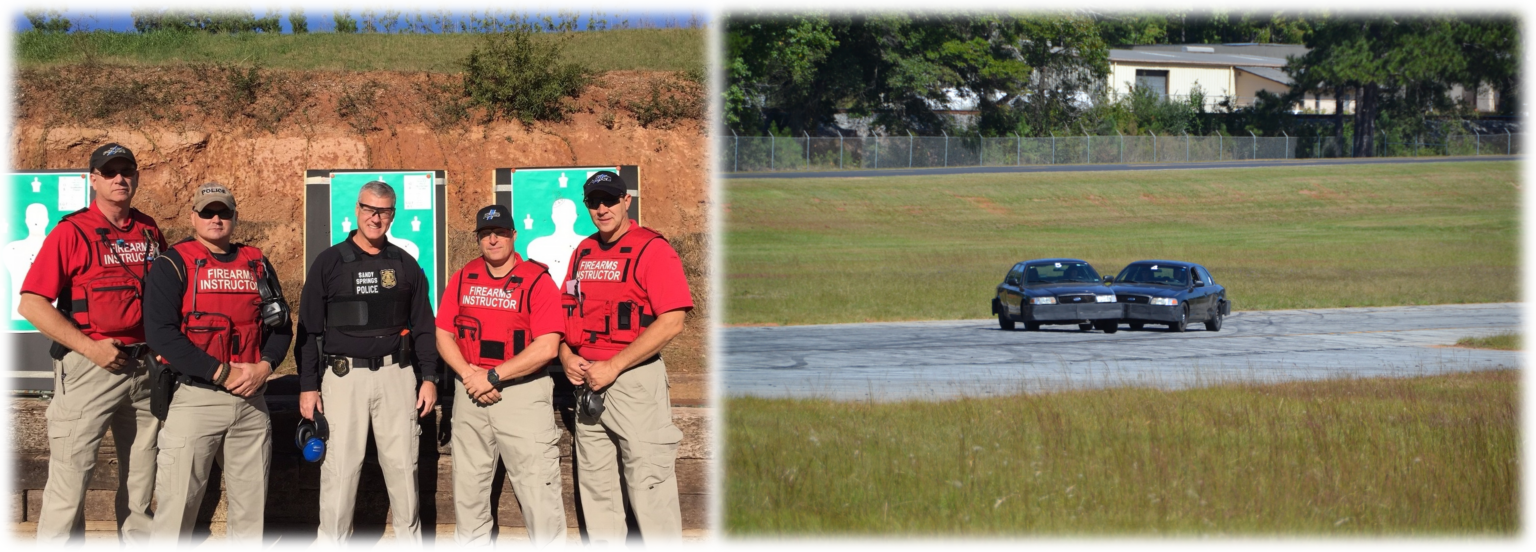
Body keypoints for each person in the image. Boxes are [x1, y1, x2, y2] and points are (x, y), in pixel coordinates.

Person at [19, 143, 167, 552]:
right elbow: (31, 303)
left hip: (143, 369)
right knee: (71, 478)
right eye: (111, 171)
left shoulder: (149, 229)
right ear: (94, 180)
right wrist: (89, 348)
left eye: (128, 171)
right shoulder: (72, 232)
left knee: (141, 480)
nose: (121, 178)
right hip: (90, 369)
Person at [142, 182, 292, 551]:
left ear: (235, 218)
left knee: (250, 504)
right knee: (178, 502)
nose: (216, 219)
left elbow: (282, 325)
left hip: (251, 399)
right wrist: (220, 373)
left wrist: (266, 366)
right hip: (196, 397)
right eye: (207, 212)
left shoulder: (255, 262)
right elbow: (160, 334)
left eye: (223, 212)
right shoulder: (173, 263)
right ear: (193, 217)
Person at [294, 180, 440, 552]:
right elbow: (308, 329)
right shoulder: (329, 262)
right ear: (357, 210)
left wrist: (429, 378)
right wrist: (308, 385)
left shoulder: (405, 265)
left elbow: (424, 327)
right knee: (340, 474)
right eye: (370, 209)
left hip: (397, 377)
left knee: (404, 473)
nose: (376, 218)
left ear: (393, 215)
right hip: (344, 379)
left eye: (384, 211)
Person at [560, 171, 692, 552]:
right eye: (594, 202)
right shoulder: (582, 251)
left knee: (649, 482)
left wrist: (614, 366)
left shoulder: (652, 249)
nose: (602, 208)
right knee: (597, 482)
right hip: (587, 381)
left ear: (626, 201)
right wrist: (567, 355)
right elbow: (566, 311)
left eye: (610, 200)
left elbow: (673, 321)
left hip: (633, 381)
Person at [436, 205, 567, 551]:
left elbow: (548, 346)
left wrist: (493, 376)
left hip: (521, 394)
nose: (492, 239)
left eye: (500, 232)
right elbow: (443, 333)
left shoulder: (537, 279)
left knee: (538, 488)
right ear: (478, 238)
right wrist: (468, 374)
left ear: (513, 235)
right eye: (485, 234)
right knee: (468, 488)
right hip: (470, 391)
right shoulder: (464, 276)